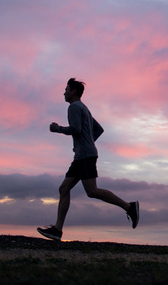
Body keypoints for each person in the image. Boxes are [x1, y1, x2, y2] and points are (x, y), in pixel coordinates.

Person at [38, 78, 139, 241]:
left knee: (92, 191)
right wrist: (86, 143)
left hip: (85, 156)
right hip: (83, 155)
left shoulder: (74, 107)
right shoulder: (84, 108)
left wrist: (57, 129)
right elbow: (98, 129)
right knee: (64, 189)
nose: (64, 93)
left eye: (66, 89)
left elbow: (76, 129)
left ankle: (129, 207)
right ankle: (57, 230)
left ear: (74, 92)